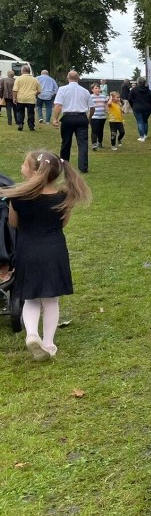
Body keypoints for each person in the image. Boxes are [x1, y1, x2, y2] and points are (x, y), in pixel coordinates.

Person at [0, 150, 91, 361]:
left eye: (24, 165)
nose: (21, 167)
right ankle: (49, 344)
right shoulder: (64, 196)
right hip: (54, 251)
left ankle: (32, 334)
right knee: (51, 301)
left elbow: (13, 223)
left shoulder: (19, 198)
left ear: (34, 172)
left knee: (30, 300)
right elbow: (63, 223)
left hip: (27, 251)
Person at [52, 71, 95, 173]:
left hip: (68, 117)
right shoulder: (85, 91)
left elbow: (58, 105)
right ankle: (83, 167)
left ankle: (64, 165)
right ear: (78, 78)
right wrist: (88, 118)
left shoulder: (62, 89)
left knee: (66, 142)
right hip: (81, 117)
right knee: (83, 143)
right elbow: (92, 107)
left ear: (68, 78)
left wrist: (55, 119)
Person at [12, 65, 40, 131]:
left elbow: (15, 90)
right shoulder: (35, 79)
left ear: (22, 71)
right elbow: (39, 90)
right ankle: (31, 126)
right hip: (31, 98)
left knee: (20, 112)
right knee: (31, 113)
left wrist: (14, 98)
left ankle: (20, 123)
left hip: (21, 98)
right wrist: (35, 94)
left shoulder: (18, 79)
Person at [129, 75, 151, 141]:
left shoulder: (134, 90)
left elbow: (129, 99)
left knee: (140, 121)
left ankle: (142, 136)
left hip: (137, 108)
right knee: (145, 121)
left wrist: (132, 105)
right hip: (147, 108)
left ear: (138, 82)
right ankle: (145, 135)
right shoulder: (148, 90)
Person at [89, 83, 108, 150]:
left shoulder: (103, 96)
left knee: (100, 130)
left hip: (102, 117)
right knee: (94, 130)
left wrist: (106, 109)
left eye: (98, 88)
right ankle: (94, 144)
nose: (97, 89)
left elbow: (106, 105)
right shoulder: (90, 97)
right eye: (96, 88)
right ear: (92, 90)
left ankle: (100, 142)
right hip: (94, 117)